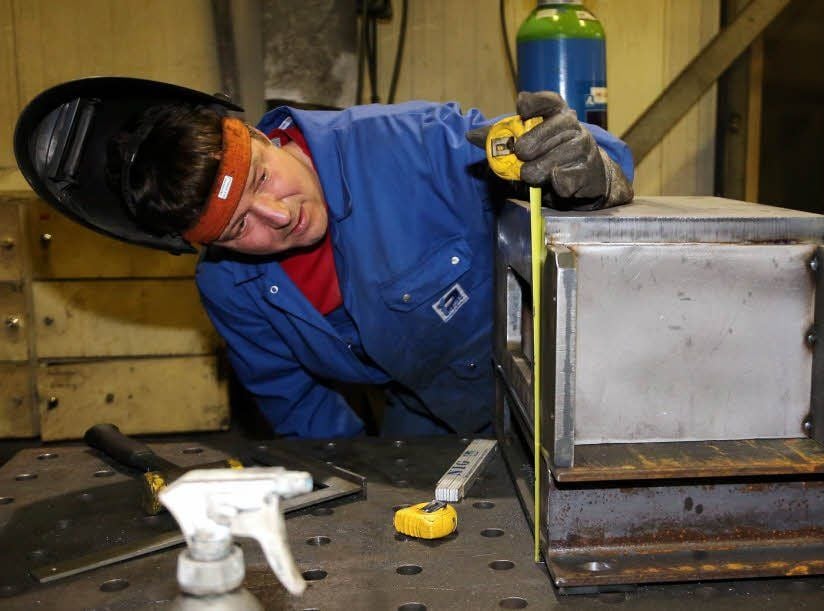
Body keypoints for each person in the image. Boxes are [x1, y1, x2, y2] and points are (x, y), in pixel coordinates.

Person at [15, 78, 634, 438]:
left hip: (571, 401)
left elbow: (589, 159)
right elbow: (297, 403)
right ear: (207, 247)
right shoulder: (231, 290)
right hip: (427, 427)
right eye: (238, 227)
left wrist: (586, 166)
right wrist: (358, 490)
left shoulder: (412, 145)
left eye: (261, 178)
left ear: (260, 134)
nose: (278, 216)